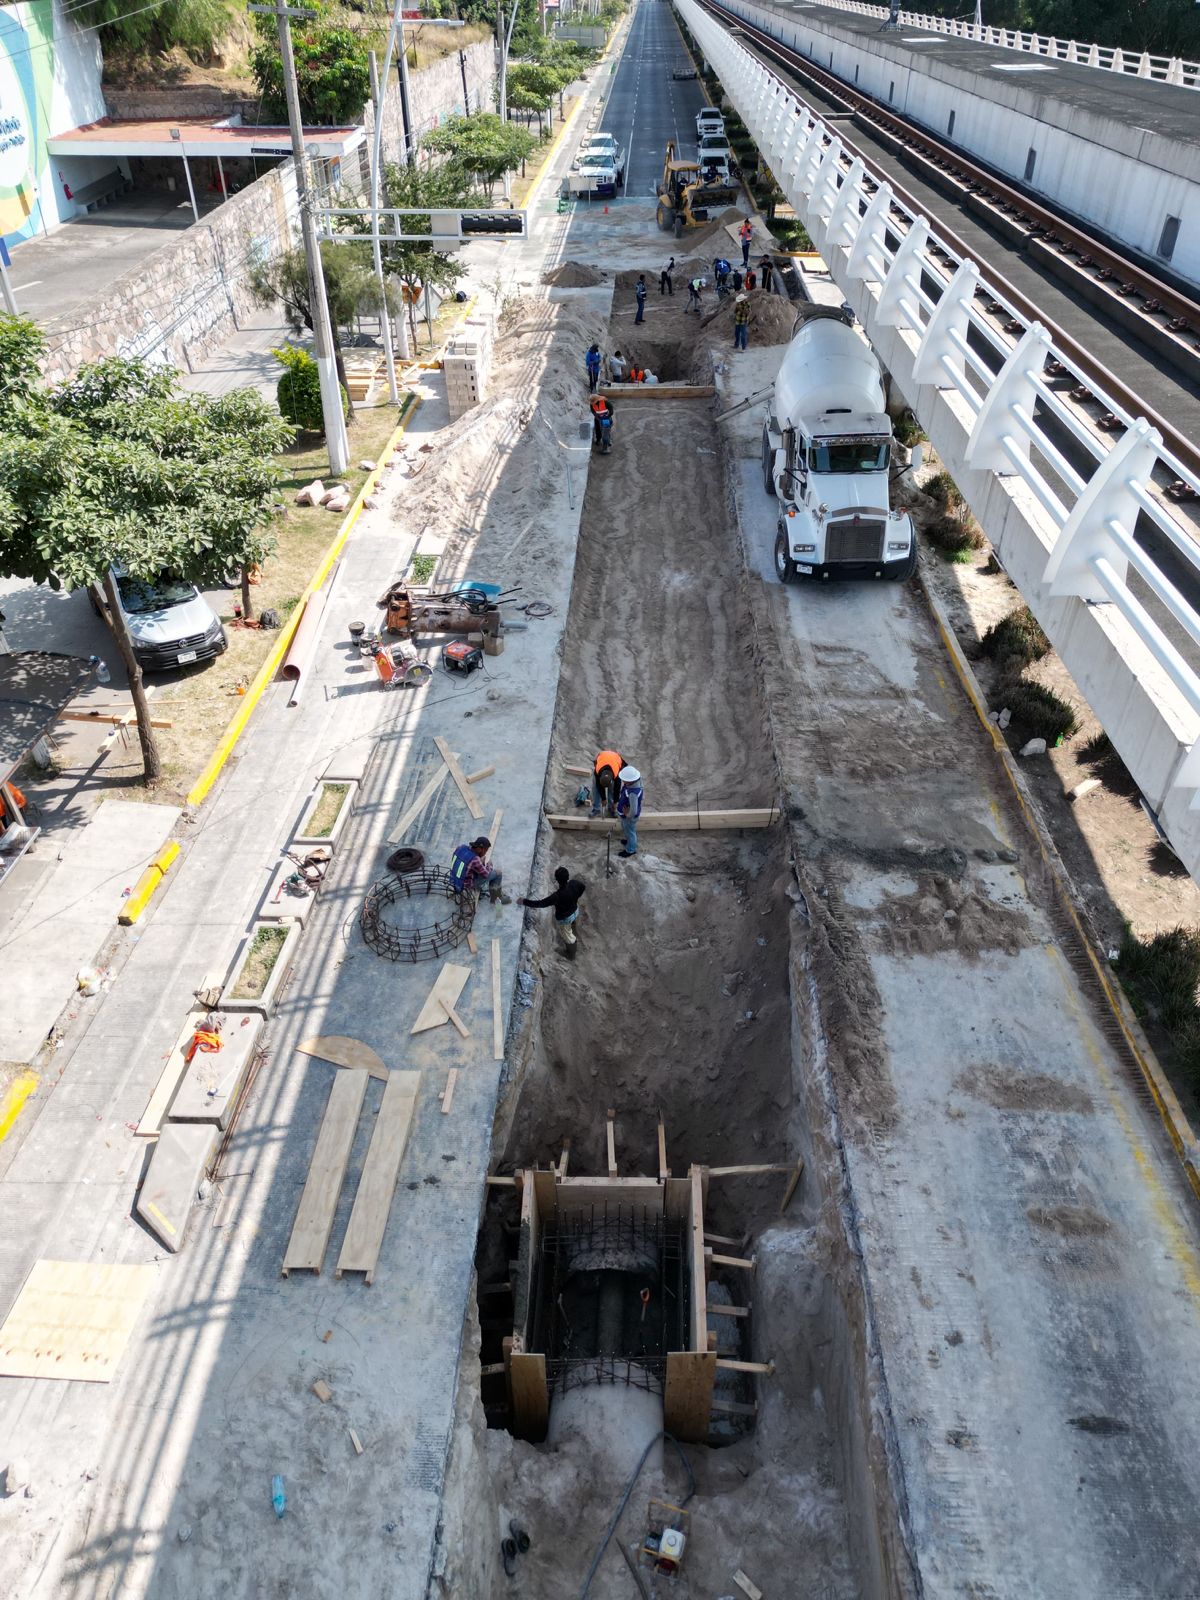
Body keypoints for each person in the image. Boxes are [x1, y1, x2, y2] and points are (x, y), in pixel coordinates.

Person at [520, 867, 587, 959]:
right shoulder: (573, 883)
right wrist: (575, 898)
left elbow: (541, 903)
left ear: (557, 880)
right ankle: (572, 926)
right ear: (568, 877)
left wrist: (524, 901)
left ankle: (570, 954)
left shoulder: (557, 896)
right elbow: (583, 887)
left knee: (568, 936)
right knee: (571, 923)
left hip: (565, 918)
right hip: (575, 910)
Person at [450, 836, 509, 903]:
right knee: (498, 873)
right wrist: (489, 865)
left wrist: (480, 861)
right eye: (485, 850)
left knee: (476, 866)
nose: (485, 853)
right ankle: (495, 898)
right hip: (465, 885)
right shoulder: (475, 859)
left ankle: (483, 892)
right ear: (480, 849)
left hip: (454, 879)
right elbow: (486, 874)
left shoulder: (461, 848)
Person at [616, 766, 643, 859]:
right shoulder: (634, 783)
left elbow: (634, 810)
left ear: (631, 781)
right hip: (626, 815)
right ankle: (628, 841)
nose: (623, 781)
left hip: (629, 817)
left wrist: (628, 815)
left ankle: (631, 849)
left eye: (624, 780)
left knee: (630, 831)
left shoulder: (632, 793)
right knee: (626, 829)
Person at [591, 749, 625, 817]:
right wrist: (603, 799)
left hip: (614, 759)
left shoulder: (617, 773)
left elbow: (617, 790)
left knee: (612, 789)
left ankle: (612, 808)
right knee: (595, 788)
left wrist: (616, 802)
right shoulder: (597, 770)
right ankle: (596, 809)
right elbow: (599, 785)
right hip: (602, 757)